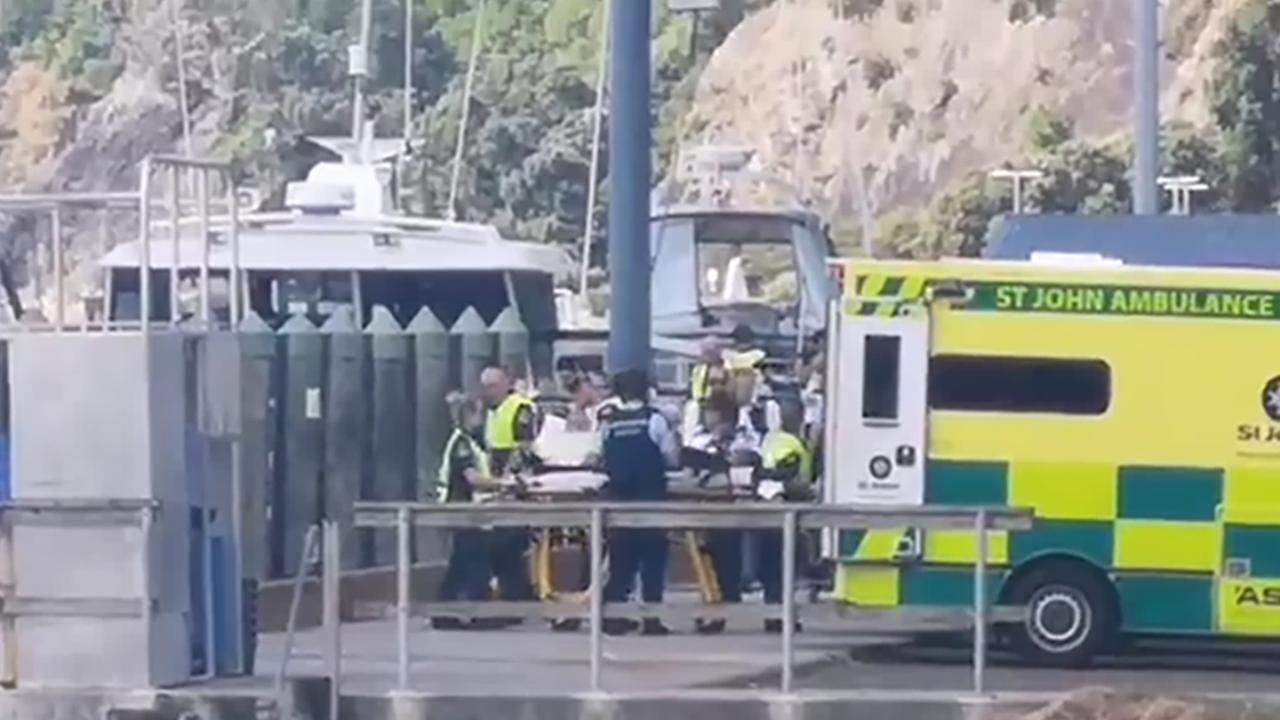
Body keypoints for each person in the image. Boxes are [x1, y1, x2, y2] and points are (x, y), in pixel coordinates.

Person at [598, 368, 679, 636]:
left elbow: (603, 456)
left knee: (621, 561)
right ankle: (651, 619)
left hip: (619, 501)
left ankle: (612, 617)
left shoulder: (610, 423)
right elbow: (670, 457)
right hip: (650, 499)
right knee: (652, 562)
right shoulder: (654, 420)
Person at [433, 392, 501, 630]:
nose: (481, 419)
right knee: (476, 563)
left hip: (469, 511)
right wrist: (503, 484)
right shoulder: (462, 443)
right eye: (478, 414)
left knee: (460, 563)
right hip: (463, 510)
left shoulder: (469, 442)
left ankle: (443, 612)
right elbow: (471, 478)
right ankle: (478, 613)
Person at [754, 399, 815, 633]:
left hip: (766, 508)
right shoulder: (791, 443)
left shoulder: (770, 440)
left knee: (771, 568)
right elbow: (788, 472)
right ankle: (783, 617)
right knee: (787, 567)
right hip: (789, 509)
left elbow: (760, 470)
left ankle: (773, 615)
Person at [479, 366, 537, 605]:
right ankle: (513, 590)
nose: (488, 392)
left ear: (506, 383)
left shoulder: (520, 407)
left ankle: (517, 592)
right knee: (500, 540)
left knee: (511, 540)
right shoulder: (492, 411)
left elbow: (524, 447)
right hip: (496, 484)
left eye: (492, 386)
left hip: (514, 485)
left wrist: (507, 480)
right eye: (485, 387)